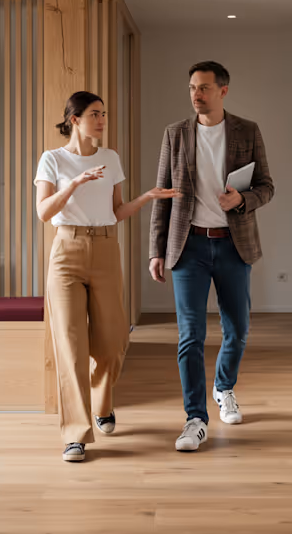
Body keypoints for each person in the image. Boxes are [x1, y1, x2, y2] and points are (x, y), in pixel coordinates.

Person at [35, 91, 180, 462]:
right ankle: (76, 435)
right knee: (70, 347)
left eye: (104, 114)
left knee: (114, 342)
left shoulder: (110, 158)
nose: (102, 120)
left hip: (105, 250)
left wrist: (147, 197)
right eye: (95, 114)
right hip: (66, 252)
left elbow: (116, 212)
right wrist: (74, 184)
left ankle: (102, 404)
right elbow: (43, 211)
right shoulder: (52, 159)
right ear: (74, 119)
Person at [149, 61, 275, 452]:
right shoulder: (175, 134)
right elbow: (162, 194)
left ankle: (224, 387)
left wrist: (243, 198)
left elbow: (267, 186)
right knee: (191, 336)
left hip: (233, 245)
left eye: (203, 87)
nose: (196, 94)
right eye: (191, 87)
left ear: (223, 90)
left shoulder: (246, 131)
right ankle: (195, 419)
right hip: (188, 247)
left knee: (237, 329)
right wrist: (156, 250)